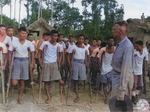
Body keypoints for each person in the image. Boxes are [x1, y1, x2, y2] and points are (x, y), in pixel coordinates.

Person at [8, 27, 35, 104]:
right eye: (22, 33)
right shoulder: (14, 42)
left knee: (22, 80)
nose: (24, 35)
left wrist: (32, 63)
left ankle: (20, 97)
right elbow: (10, 53)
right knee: (14, 82)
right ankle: (14, 87)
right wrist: (10, 63)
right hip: (16, 60)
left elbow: (32, 53)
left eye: (25, 33)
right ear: (19, 33)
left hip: (25, 61)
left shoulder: (29, 43)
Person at [110, 20, 134, 101]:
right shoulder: (120, 44)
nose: (113, 31)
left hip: (121, 80)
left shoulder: (127, 46)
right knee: (115, 104)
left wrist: (122, 89)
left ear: (121, 31)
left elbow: (126, 69)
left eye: (114, 29)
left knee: (120, 105)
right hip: (117, 77)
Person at [38, 30, 64, 104]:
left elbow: (61, 53)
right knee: (46, 81)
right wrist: (40, 63)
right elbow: (39, 52)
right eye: (54, 36)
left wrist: (60, 60)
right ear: (50, 36)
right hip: (46, 63)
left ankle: (50, 93)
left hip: (54, 63)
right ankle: (48, 97)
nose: (55, 37)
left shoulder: (58, 45)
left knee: (52, 80)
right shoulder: (45, 43)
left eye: (56, 36)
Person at [67, 34, 87, 103]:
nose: (81, 40)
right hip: (75, 63)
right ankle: (77, 95)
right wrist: (70, 65)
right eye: (80, 38)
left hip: (82, 64)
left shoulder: (85, 48)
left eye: (82, 39)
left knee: (80, 79)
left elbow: (86, 56)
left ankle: (75, 86)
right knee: (75, 80)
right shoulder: (73, 47)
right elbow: (68, 56)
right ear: (77, 39)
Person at [98, 37, 115, 104]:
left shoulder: (115, 49)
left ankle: (108, 94)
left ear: (114, 42)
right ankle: (106, 97)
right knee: (105, 84)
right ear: (107, 41)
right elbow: (98, 58)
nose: (111, 42)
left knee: (112, 84)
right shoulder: (103, 49)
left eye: (112, 41)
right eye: (110, 41)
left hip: (112, 69)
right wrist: (99, 66)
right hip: (104, 69)